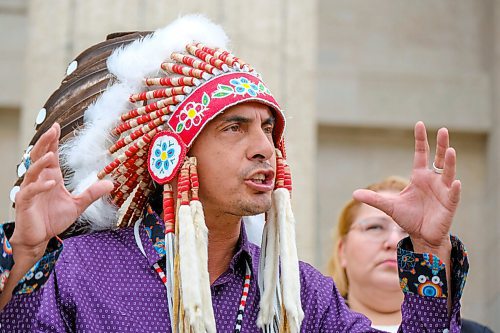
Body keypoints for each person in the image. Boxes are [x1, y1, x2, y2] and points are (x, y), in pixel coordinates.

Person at [0, 15, 468, 332]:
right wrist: (25, 254)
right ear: (174, 153)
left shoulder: (301, 294)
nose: (264, 147)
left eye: (269, 128)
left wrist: (429, 248)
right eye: (234, 127)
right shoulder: (79, 272)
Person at [327, 176, 492, 333]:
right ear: (342, 250)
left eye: (409, 233)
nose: (393, 242)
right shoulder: (306, 326)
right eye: (375, 227)